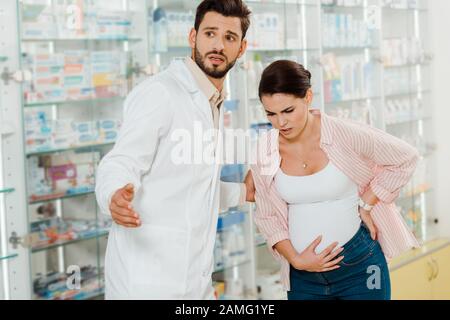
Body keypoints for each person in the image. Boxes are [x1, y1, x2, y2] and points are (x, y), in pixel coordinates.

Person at [95, 0, 253, 299]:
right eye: (210, 33)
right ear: (192, 37)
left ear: (241, 49)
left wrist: (244, 193)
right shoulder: (160, 93)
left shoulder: (211, 101)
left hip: (193, 282)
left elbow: (188, 186)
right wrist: (113, 194)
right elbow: (120, 161)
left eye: (229, 38)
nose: (218, 45)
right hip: (145, 281)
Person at [249, 60, 420, 300]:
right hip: (303, 278)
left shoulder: (343, 133)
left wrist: (368, 203)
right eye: (271, 114)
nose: (281, 123)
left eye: (288, 111)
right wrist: (297, 260)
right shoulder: (264, 150)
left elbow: (405, 157)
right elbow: (266, 216)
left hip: (360, 267)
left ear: (308, 97)